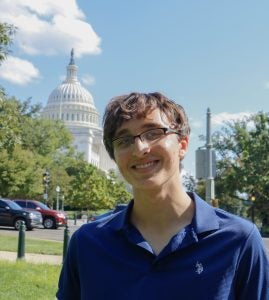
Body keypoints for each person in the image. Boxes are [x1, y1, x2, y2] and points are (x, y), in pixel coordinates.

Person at [57, 92, 269, 300]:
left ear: (182, 145)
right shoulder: (87, 244)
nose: (140, 149)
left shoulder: (238, 241)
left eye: (153, 133)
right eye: (124, 140)